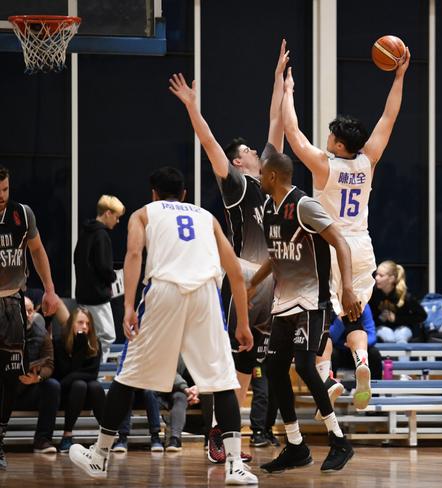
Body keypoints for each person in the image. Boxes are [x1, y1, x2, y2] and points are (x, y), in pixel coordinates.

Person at [69, 167, 256, 485]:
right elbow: (236, 272)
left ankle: (100, 456)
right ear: (184, 194)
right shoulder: (206, 217)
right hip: (206, 294)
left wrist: (128, 306)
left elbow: (132, 255)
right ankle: (235, 465)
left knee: (129, 376)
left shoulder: (143, 213)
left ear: (153, 194)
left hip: (165, 288)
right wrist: (244, 324)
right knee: (222, 380)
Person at [169, 39, 288, 454]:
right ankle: (220, 432)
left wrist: (279, 82)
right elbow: (211, 147)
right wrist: (192, 106)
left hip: (274, 284)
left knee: (261, 366)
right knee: (236, 364)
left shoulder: (273, 185)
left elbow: (276, 122)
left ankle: (229, 431)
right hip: (244, 280)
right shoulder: (238, 188)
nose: (255, 151)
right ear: (239, 163)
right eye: (248, 151)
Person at [281, 44, 411, 410]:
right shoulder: (368, 161)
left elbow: (293, 135)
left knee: (321, 316)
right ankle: (362, 362)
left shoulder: (325, 166)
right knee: (354, 315)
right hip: (362, 247)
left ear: (339, 143)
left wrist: (287, 92)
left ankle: (327, 377)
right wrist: (399, 77)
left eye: (331, 136)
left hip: (331, 248)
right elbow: (389, 117)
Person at [247, 153, 361, 473]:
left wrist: (348, 287)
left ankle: (339, 441)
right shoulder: (270, 210)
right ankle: (296, 445)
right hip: (283, 303)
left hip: (313, 302)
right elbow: (276, 256)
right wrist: (251, 285)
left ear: (272, 176)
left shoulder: (304, 205)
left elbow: (341, 242)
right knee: (273, 367)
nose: (258, 179)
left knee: (305, 364)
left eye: (260, 175)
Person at [0, 165, 60, 470]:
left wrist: (49, 289)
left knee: (11, 375)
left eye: (5, 190)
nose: (2, 196)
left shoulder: (22, 215)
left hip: (11, 302)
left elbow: (37, 252)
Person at [74, 194, 125, 360]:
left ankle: (88, 366)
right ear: (108, 213)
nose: (117, 222)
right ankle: (99, 370)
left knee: (88, 334)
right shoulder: (101, 235)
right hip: (97, 295)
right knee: (107, 335)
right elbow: (104, 266)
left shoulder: (85, 233)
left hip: (83, 293)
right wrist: (112, 277)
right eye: (117, 217)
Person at [52, 306, 105, 453]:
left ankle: (106, 436)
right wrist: (79, 346)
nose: (85, 327)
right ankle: (67, 435)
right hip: (65, 393)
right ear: (71, 324)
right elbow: (64, 371)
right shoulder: (59, 342)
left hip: (86, 395)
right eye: (80, 322)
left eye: (88, 324)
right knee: (80, 385)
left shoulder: (95, 343)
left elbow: (93, 374)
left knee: (94, 386)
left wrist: (82, 344)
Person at [12, 296, 60, 454]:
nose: (26, 314)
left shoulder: (42, 332)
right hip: (7, 390)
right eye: (22, 310)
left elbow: (49, 364)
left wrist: (37, 378)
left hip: (29, 389)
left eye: (30, 310)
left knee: (52, 386)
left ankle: (42, 440)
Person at [369, 260, 426, 343]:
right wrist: (380, 318)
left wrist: (396, 318)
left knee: (401, 336)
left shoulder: (404, 295)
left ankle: (402, 356)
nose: (376, 278)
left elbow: (422, 315)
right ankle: (389, 357)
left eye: (381, 275)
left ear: (391, 279)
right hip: (382, 327)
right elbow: (369, 318)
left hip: (403, 327)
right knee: (388, 336)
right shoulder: (373, 294)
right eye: (376, 274)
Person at [154, 357, 200, 452]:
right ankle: (159, 438)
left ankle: (175, 439)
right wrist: (186, 389)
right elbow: (168, 370)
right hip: (162, 388)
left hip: (186, 391)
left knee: (180, 397)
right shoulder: (170, 347)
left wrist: (196, 389)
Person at [330, 305, 383, 381]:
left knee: (374, 353)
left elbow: (372, 335)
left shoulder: (364, 305)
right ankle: (331, 387)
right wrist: (340, 320)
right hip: (340, 350)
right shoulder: (331, 305)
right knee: (331, 353)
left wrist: (357, 344)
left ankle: (372, 390)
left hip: (360, 349)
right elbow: (330, 337)